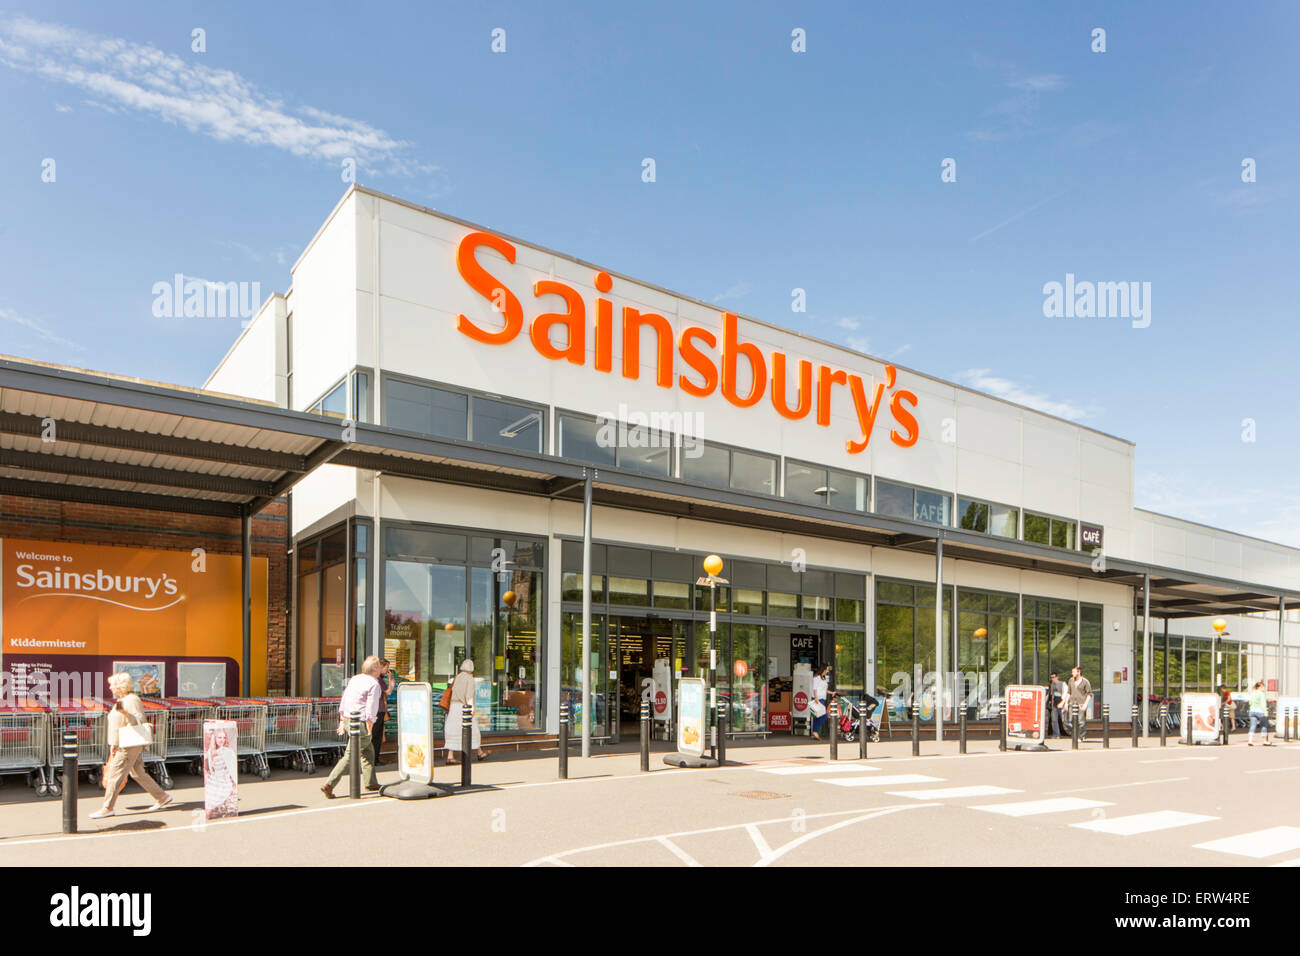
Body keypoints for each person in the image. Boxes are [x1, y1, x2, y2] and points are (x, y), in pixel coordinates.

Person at [89, 672, 173, 819]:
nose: (110, 687)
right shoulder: (123, 699)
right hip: (125, 743)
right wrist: (113, 744)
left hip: (128, 745)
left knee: (115, 774)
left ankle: (107, 807)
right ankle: (162, 797)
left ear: (119, 686)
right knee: (137, 772)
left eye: (112, 685)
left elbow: (139, 720)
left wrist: (126, 714)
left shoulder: (131, 700)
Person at [320, 655, 385, 798]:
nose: (381, 669)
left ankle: (371, 782)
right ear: (375, 669)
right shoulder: (374, 684)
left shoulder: (355, 679)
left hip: (350, 719)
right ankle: (329, 784)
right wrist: (370, 722)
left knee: (368, 751)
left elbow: (345, 698)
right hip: (361, 721)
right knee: (351, 754)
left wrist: (342, 719)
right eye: (380, 666)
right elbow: (371, 706)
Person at [446, 658, 489, 763]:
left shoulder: (458, 677)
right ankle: (480, 752)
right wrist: (472, 708)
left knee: (453, 730)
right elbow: (469, 695)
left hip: (453, 707)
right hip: (464, 708)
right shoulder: (469, 679)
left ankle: (450, 755)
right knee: (472, 730)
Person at [204, 726, 239, 818]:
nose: (222, 740)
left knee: (210, 809)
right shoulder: (210, 752)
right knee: (209, 808)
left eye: (224, 738)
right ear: (214, 738)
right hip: (214, 781)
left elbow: (232, 770)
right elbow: (208, 768)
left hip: (225, 782)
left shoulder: (228, 752)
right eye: (219, 737)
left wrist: (234, 785)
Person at [372, 659, 393, 765]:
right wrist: (390, 680)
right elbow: (388, 691)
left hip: (377, 710)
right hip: (378, 710)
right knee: (376, 735)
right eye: (386, 667)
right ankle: (374, 758)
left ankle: (374, 758)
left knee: (376, 735)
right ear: (381, 667)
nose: (387, 669)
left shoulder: (376, 679)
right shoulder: (379, 680)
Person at [1066, 666, 1092, 740]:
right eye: (1072, 672)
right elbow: (1069, 692)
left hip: (1081, 703)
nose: (1072, 673)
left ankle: (1081, 736)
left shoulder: (1085, 681)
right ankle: (1075, 735)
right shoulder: (1071, 680)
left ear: (1079, 672)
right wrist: (1065, 703)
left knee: (1081, 721)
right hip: (1072, 703)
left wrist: (1085, 704)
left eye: (1074, 672)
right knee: (1071, 720)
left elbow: (1089, 694)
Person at [1247, 680, 1274, 747]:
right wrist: (1265, 712)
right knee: (1264, 725)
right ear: (1259, 687)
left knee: (1253, 726)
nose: (1264, 689)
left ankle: (1250, 740)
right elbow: (1263, 704)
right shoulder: (1261, 694)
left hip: (1252, 711)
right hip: (1260, 711)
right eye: (1263, 687)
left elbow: (1250, 702)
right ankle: (1265, 741)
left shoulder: (1252, 693)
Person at [810, 664, 830, 740]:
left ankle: (814, 732)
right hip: (817, 699)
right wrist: (815, 698)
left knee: (817, 716)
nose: (827, 671)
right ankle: (815, 731)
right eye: (827, 669)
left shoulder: (824, 678)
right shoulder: (817, 678)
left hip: (822, 698)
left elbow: (823, 689)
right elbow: (814, 689)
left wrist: (831, 692)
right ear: (823, 670)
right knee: (824, 716)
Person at [1046, 671, 1067, 738]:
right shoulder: (1052, 685)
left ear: (1057, 677)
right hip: (1055, 703)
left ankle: (1074, 731)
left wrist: (1064, 702)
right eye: (1051, 677)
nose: (1053, 679)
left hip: (1061, 701)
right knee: (1054, 719)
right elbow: (1051, 695)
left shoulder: (1062, 684)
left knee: (1064, 720)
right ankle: (1056, 734)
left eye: (1054, 677)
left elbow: (1065, 693)